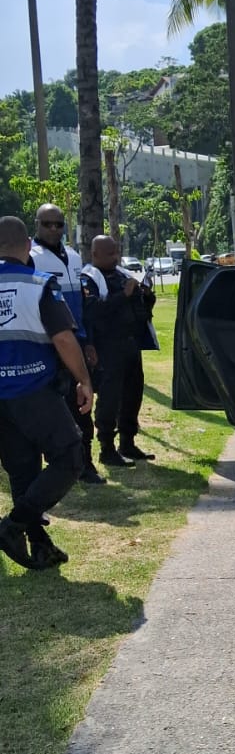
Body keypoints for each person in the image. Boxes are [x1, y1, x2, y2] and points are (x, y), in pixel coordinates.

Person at [0, 215, 93, 570]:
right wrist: (84, 380)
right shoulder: (38, 283)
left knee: (22, 470)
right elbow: (64, 339)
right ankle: (13, 526)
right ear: (28, 246)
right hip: (33, 390)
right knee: (70, 457)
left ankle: (40, 545)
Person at [31, 202, 104, 485]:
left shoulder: (73, 257)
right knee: (48, 408)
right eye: (46, 224)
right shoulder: (30, 257)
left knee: (82, 406)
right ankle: (53, 465)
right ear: (36, 225)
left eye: (58, 224)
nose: (53, 229)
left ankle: (85, 464)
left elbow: (81, 307)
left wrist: (88, 342)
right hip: (47, 347)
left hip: (76, 344)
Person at [81, 235, 158, 468]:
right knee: (110, 398)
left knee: (133, 395)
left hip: (131, 345)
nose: (115, 257)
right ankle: (107, 448)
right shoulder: (89, 278)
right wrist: (123, 295)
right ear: (95, 254)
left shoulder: (123, 275)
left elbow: (142, 309)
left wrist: (146, 296)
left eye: (116, 252)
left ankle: (128, 442)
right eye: (109, 253)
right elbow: (93, 311)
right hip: (108, 347)